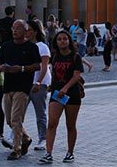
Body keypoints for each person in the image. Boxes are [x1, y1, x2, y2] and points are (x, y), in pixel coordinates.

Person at [0, 19, 41, 160]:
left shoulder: (31, 47)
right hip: (8, 86)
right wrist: (1, 68)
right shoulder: (6, 46)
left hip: (22, 87)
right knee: (9, 120)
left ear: (25, 31)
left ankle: (17, 149)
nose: (15, 31)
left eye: (19, 28)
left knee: (16, 119)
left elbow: (37, 65)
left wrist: (21, 68)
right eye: (13, 28)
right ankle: (26, 138)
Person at [39, 30, 84, 164]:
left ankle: (70, 152)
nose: (62, 41)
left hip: (72, 95)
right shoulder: (55, 56)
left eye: (65, 39)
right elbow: (51, 71)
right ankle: (48, 153)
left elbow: (76, 76)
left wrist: (65, 88)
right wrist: (50, 86)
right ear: (56, 42)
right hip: (57, 94)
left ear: (69, 41)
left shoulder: (75, 57)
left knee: (70, 125)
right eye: (59, 39)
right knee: (52, 123)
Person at [26, 20, 51, 152]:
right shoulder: (25, 45)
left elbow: (44, 67)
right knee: (17, 112)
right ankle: (17, 135)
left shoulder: (42, 47)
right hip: (25, 83)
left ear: (35, 31)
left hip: (39, 83)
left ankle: (43, 139)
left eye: (28, 29)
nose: (26, 32)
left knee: (40, 113)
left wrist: (39, 82)